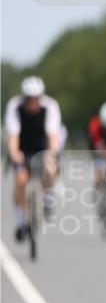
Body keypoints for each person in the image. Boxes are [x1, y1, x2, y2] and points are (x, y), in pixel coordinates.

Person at [4, 76, 61, 240]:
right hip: (23, 148)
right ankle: (21, 222)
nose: (33, 103)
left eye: (36, 99)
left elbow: (53, 136)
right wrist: (15, 154)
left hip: (42, 146)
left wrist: (50, 155)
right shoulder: (15, 107)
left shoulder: (50, 107)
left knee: (50, 169)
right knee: (21, 180)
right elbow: (13, 136)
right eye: (29, 99)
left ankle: (48, 199)